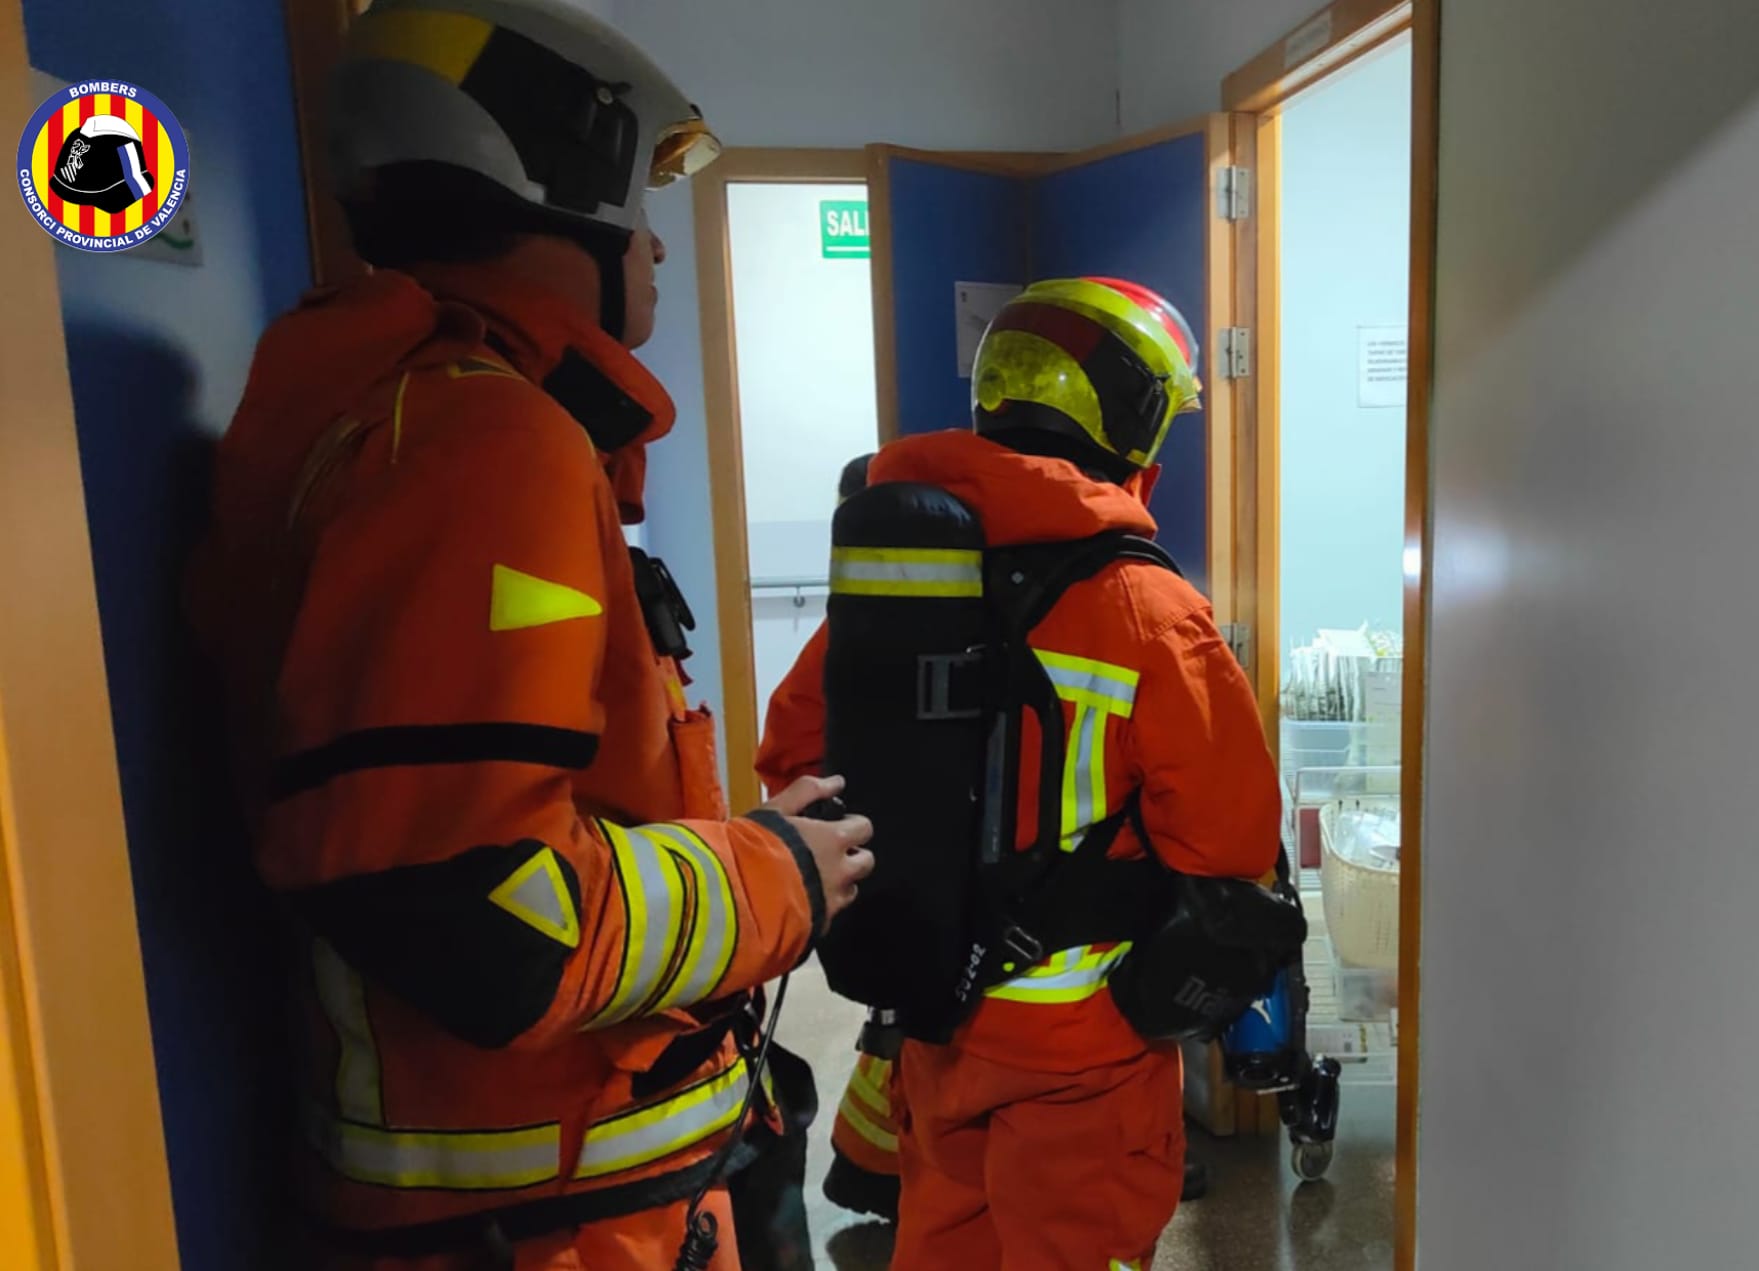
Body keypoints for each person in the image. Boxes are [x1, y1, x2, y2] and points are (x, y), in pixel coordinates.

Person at [188, 2, 873, 1268]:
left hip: (500, 1195)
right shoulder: (488, 447)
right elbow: (486, 915)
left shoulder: (369, 416)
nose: (657, 251)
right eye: (641, 207)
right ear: (560, 183)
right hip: (554, 1218)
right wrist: (777, 872)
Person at [767, 279, 1281, 1268]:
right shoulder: (1144, 603)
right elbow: (1229, 839)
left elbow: (793, 754)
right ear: (1133, 424)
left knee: (946, 1241)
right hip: (1083, 1041)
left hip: (932, 1007)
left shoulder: (902, 583)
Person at [756, 453, 906, 1224]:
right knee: (910, 1018)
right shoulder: (860, 630)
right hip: (872, 850)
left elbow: (781, 745)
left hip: (859, 846)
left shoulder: (848, 628)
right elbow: (787, 748)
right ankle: (876, 1165)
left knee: (898, 1015)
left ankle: (871, 1164)